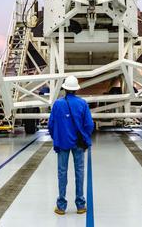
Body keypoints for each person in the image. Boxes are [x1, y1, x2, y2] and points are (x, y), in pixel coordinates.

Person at [48, 75, 94, 216]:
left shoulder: (57, 104)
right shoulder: (82, 104)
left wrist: (57, 137)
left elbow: (51, 125)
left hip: (62, 143)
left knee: (62, 173)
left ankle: (61, 206)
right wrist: (84, 137)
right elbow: (89, 125)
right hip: (78, 144)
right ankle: (80, 205)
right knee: (79, 172)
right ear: (76, 90)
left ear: (65, 89)